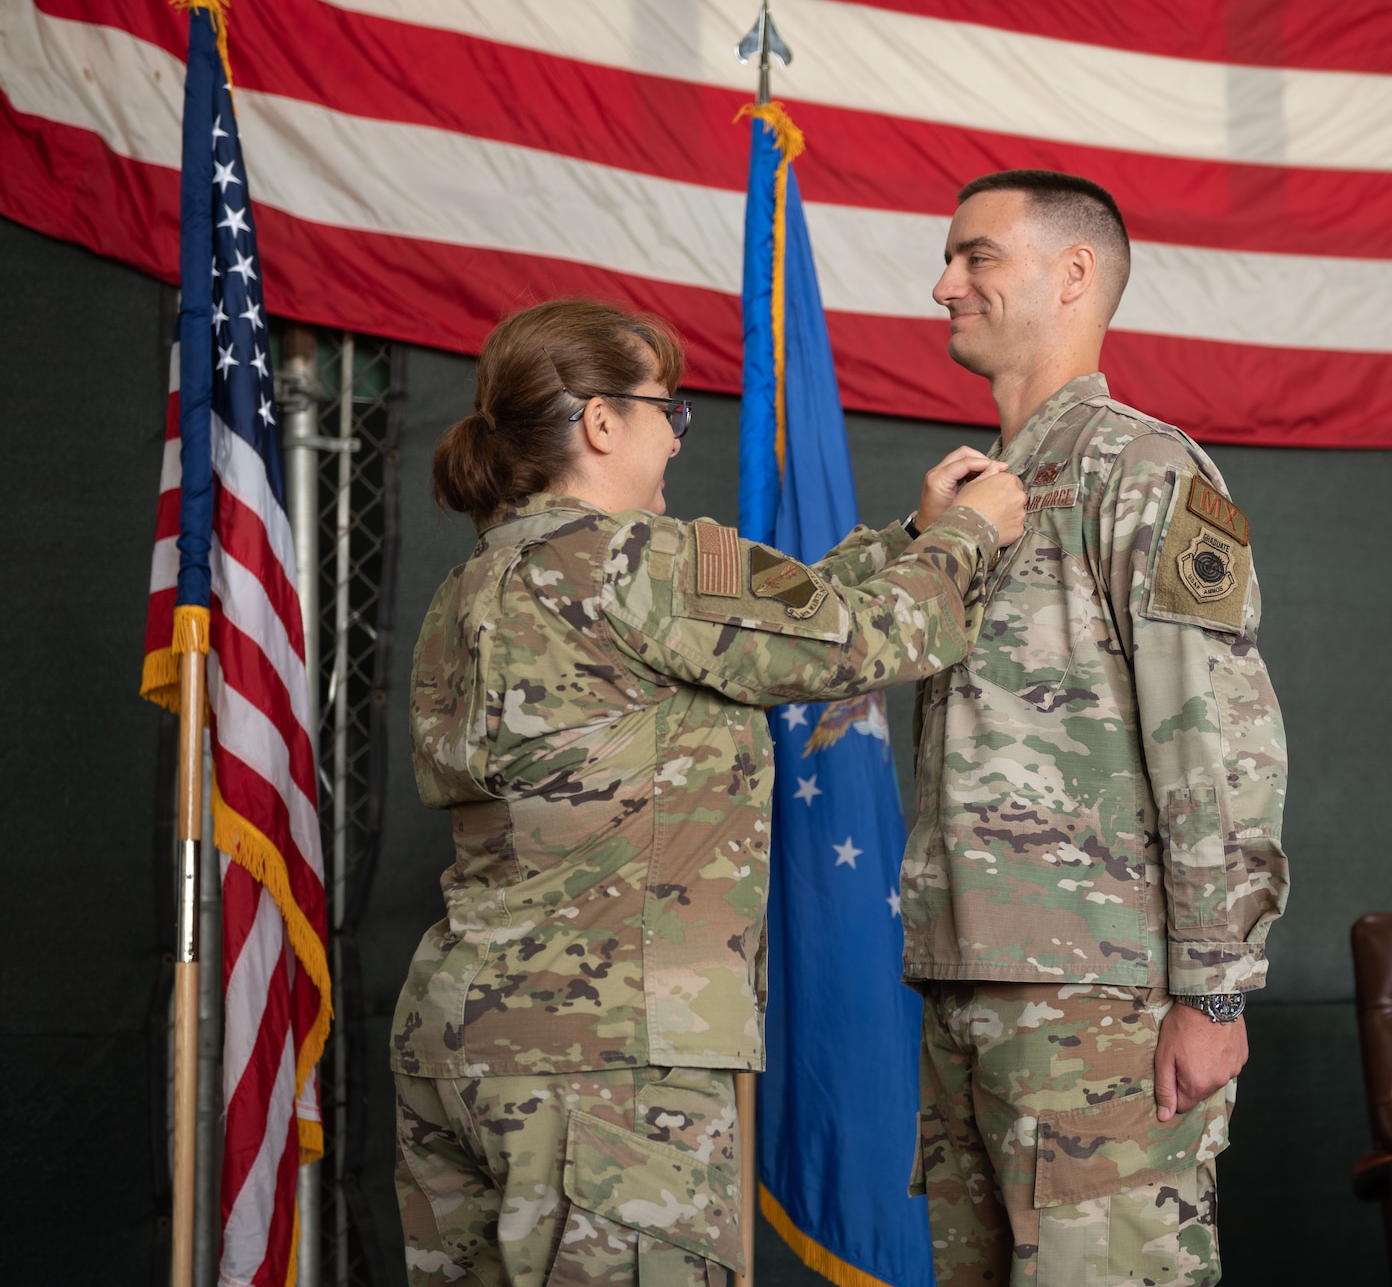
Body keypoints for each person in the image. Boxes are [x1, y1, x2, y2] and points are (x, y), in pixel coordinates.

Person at [392, 298, 1025, 1287]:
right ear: (601, 422)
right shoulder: (643, 559)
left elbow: (779, 617)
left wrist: (908, 531)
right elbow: (868, 638)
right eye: (665, 411)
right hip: (608, 1066)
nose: (674, 440)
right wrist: (971, 537)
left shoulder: (476, 582)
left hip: (464, 1038)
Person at [901, 172, 1289, 1286]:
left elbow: (1218, 741)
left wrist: (1214, 989)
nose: (943, 286)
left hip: (1103, 1001)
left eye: (976, 257)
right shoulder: (971, 496)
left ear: (1072, 274)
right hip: (970, 982)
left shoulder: (1144, 469)